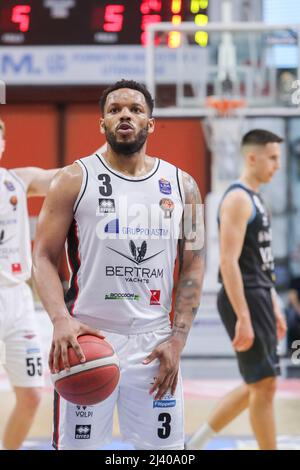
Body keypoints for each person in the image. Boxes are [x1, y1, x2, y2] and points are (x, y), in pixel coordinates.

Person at [32, 79, 205, 450]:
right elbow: (43, 256)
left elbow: (194, 265)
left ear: (151, 123)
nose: (125, 114)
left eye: (135, 109)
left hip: (156, 345)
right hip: (87, 341)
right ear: (102, 124)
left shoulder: (184, 186)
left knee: (163, 456)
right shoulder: (72, 179)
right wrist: (61, 320)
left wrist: (178, 340)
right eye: (115, 110)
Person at [186, 129, 287, 451]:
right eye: (272, 158)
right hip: (243, 297)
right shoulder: (238, 199)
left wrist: (274, 305)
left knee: (261, 382)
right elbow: (228, 262)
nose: (277, 165)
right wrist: (244, 315)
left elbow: (261, 263)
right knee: (264, 384)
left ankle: (196, 444)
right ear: (251, 157)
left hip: (259, 295)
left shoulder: (257, 198)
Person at [0, 118, 58, 450]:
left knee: (32, 395)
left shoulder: (17, 181)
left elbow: (63, 177)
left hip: (17, 301)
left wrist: (111, 150)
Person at [285, 275, 300, 355]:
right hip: (296, 309)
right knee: (292, 316)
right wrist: (298, 309)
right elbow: (292, 297)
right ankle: (293, 349)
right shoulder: (295, 280)